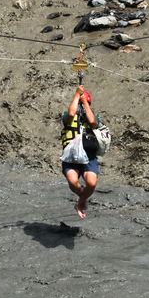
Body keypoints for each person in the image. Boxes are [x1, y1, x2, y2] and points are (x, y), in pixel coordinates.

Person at [61, 84, 100, 219]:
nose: (81, 108)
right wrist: (77, 95)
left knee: (91, 183)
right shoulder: (68, 117)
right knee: (72, 181)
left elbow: (93, 122)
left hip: (89, 156)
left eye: (85, 105)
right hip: (71, 158)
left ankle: (80, 202)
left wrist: (85, 102)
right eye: (80, 105)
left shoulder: (93, 118)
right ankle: (83, 199)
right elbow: (71, 113)